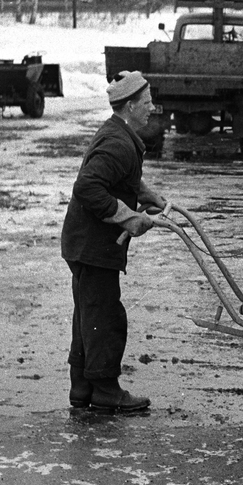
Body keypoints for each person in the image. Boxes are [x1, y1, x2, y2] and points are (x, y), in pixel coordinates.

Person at [60, 71, 168, 414]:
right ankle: (105, 390)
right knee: (105, 318)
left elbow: (118, 177)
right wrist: (128, 216)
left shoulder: (119, 133)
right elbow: (88, 187)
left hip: (88, 243)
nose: (152, 108)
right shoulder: (119, 142)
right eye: (148, 103)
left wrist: (145, 194)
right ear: (131, 105)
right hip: (93, 246)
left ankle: (83, 387)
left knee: (90, 314)